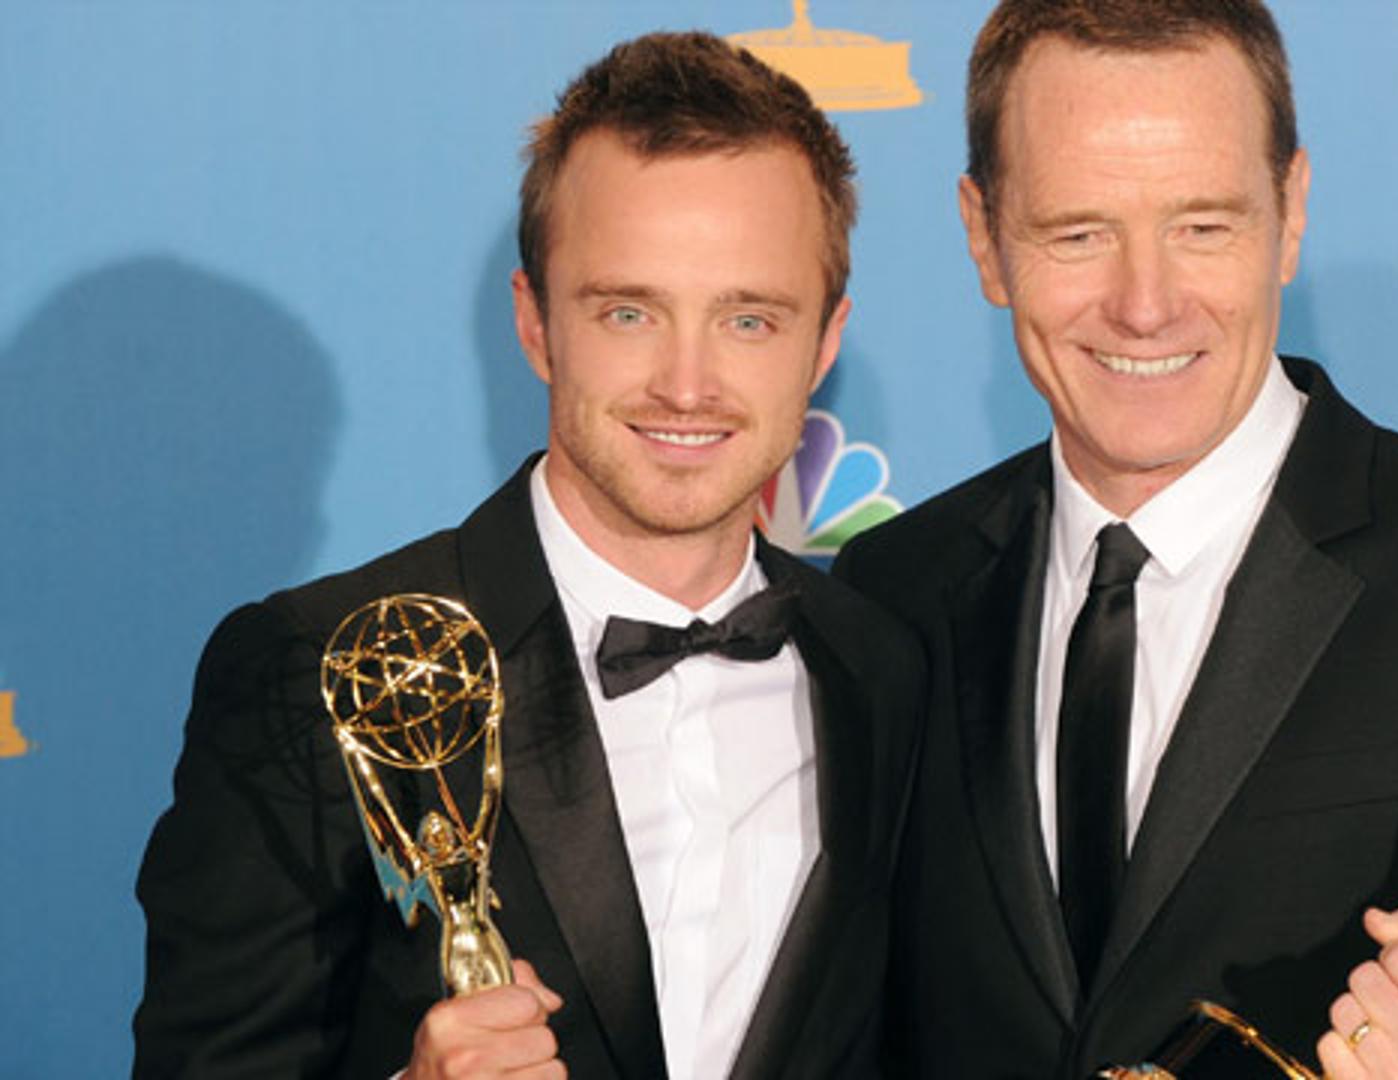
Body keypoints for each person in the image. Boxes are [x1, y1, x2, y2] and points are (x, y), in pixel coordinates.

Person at [833, 2, 1398, 1077]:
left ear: (1290, 212)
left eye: (1203, 227)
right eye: (1078, 233)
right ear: (984, 237)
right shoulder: (892, 591)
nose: (1145, 304)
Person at [135, 31, 922, 1080]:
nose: (687, 384)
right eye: (628, 311)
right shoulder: (318, 670)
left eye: (748, 319)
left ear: (824, 343)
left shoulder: (886, 669)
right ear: (536, 324)